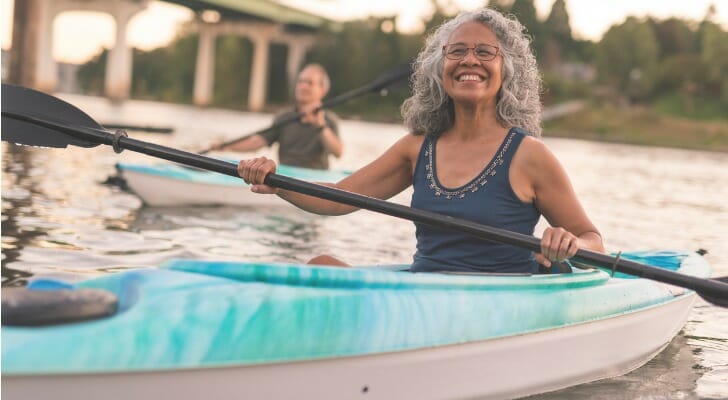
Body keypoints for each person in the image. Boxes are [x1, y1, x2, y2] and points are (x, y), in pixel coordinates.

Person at [237, 8, 604, 273]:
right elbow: (335, 199)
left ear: (506, 69)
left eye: (484, 52)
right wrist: (275, 180)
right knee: (319, 266)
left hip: (497, 300)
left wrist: (571, 245)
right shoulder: (416, 148)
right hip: (425, 295)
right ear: (438, 69)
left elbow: (592, 239)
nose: (469, 60)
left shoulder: (530, 155)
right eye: (457, 51)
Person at [214, 63, 343, 170]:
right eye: (300, 81)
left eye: (309, 83)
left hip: (315, 179)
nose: (303, 86)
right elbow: (257, 142)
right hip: (287, 175)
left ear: (323, 90)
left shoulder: (329, 119)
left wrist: (320, 125)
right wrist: (226, 146)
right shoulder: (284, 116)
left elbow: (337, 152)